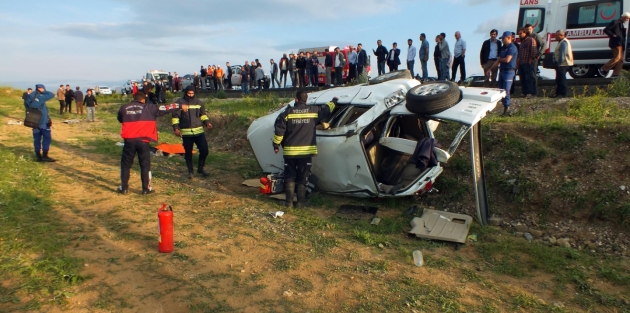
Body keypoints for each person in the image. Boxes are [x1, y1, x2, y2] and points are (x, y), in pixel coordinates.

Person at [273, 90, 337, 208]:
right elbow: (327, 109)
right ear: (306, 100)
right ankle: (301, 203)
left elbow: (279, 132)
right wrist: (334, 101)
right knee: (303, 175)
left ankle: (288, 203)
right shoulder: (313, 111)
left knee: (290, 175)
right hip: (306, 152)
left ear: (296, 99)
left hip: (290, 152)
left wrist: (276, 145)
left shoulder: (287, 113)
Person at [117, 91, 188, 195]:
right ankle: (146, 189)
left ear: (134, 97)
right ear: (144, 99)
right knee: (145, 165)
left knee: (126, 164)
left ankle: (124, 188)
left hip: (129, 141)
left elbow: (120, 119)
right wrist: (181, 106)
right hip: (144, 141)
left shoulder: (124, 108)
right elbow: (166, 108)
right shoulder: (149, 108)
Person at [172, 85, 212, 179]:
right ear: (186, 92)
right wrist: (176, 128)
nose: (190, 95)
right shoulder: (179, 103)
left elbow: (203, 115)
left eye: (192, 93)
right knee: (188, 153)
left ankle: (200, 168)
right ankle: (190, 171)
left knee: (204, 150)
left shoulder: (199, 103)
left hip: (199, 132)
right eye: (189, 93)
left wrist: (207, 123)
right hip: (186, 133)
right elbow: (175, 117)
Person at [487, 31, 518, 116]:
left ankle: (507, 108)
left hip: (509, 71)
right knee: (500, 90)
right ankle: (504, 108)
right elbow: (498, 60)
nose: (502, 40)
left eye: (503, 38)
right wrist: (490, 69)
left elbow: (507, 59)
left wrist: (500, 60)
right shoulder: (503, 48)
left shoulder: (512, 47)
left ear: (508, 37)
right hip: (502, 71)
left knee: (506, 90)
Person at [25, 84, 55, 162]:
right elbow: (51, 94)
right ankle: (45, 155)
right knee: (47, 138)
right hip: (43, 121)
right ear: (40, 89)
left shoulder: (29, 96)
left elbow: (27, 105)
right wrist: (43, 91)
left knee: (37, 139)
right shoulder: (40, 97)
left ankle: (38, 156)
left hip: (33, 121)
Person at [600, 12, 630, 78]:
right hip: (615, 43)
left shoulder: (622, 24)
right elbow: (606, 29)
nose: (627, 20)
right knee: (617, 58)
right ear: (623, 17)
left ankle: (615, 74)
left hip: (621, 44)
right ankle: (603, 69)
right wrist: (613, 35)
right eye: (627, 18)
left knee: (621, 60)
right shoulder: (615, 22)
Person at [526, 24, 547, 94]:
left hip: (534, 57)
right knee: (528, 75)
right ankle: (529, 91)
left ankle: (534, 92)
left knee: (533, 75)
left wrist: (539, 54)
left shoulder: (535, 35)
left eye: (529, 29)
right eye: (527, 29)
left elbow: (544, 45)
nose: (528, 30)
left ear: (532, 29)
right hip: (527, 58)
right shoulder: (526, 36)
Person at [517, 27, 537, 98]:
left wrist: (531, 59)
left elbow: (533, 50)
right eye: (518, 34)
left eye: (521, 33)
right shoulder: (522, 42)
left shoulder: (531, 40)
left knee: (529, 78)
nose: (519, 35)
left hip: (527, 62)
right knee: (522, 78)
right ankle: (524, 92)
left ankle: (530, 92)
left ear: (525, 33)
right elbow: (519, 53)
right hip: (521, 63)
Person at [553, 30, 573, 98]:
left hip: (563, 64)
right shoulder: (561, 42)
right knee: (558, 79)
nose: (555, 37)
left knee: (562, 79)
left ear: (561, 35)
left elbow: (562, 54)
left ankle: (563, 94)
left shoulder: (564, 42)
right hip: (562, 63)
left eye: (556, 35)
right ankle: (558, 93)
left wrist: (558, 64)